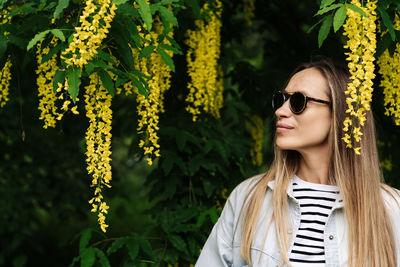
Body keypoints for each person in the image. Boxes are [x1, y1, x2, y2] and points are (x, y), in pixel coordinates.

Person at [195, 59, 400, 267]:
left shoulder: (390, 208)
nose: (281, 111)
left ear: (340, 112)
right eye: (280, 99)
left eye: (298, 101)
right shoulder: (248, 197)